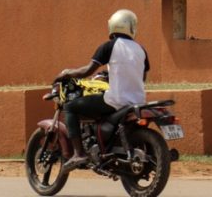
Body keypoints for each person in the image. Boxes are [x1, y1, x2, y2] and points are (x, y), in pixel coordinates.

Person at [56, 9, 149, 171]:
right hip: (138, 101)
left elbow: (86, 71)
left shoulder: (109, 46)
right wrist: (111, 74)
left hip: (116, 101)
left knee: (70, 107)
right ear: (131, 27)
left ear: (113, 26)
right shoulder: (140, 49)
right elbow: (140, 77)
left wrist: (67, 73)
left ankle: (78, 153)